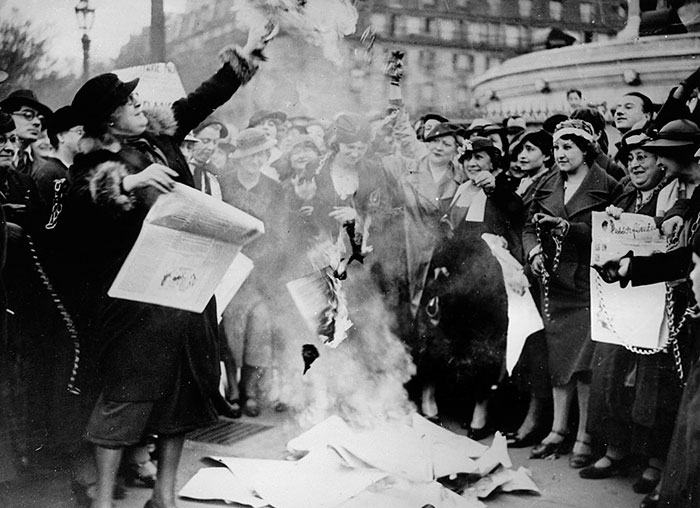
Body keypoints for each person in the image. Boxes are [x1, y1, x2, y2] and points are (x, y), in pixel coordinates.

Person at [49, 23, 272, 508]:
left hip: (187, 291)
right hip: (134, 302)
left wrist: (244, 60)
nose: (138, 105)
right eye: (128, 103)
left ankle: (165, 497)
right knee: (125, 398)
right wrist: (131, 183)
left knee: (184, 397)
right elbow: (86, 206)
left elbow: (203, 98)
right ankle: (105, 501)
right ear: (109, 122)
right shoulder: (93, 164)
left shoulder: (160, 135)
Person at [581, 129, 676, 499]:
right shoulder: (624, 196)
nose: (635, 164)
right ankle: (614, 449)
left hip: (658, 303)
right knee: (608, 373)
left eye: (644, 157)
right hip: (622, 302)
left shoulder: (671, 201)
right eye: (631, 158)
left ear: (661, 163)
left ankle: (654, 460)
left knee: (654, 382)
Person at [522, 119, 622, 468]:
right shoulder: (549, 182)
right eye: (556, 148)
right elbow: (528, 224)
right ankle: (557, 429)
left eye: (567, 147)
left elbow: (613, 233)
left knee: (583, 364)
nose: (560, 154)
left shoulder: (609, 184)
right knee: (558, 358)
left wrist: (568, 227)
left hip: (587, 285)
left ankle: (584, 435)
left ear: (585, 149)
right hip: (553, 283)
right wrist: (533, 251)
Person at [419, 136, 523, 438]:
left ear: (493, 161)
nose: (473, 163)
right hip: (457, 275)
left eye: (480, 158)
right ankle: (441, 403)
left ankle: (481, 410)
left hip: (489, 278)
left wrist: (495, 189)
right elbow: (450, 233)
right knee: (449, 338)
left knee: (486, 346)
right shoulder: (463, 189)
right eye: (468, 158)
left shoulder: (503, 189)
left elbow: (515, 214)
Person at [217, 127, 287, 418]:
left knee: (258, 328)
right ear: (239, 157)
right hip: (228, 269)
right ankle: (232, 389)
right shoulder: (223, 183)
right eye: (249, 155)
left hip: (260, 272)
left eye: (261, 154)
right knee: (231, 327)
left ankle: (250, 391)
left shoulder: (275, 189)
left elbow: (279, 234)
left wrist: (256, 260)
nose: (255, 160)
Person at [506, 129, 555, 447]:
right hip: (515, 270)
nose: (522, 155)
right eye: (520, 150)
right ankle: (526, 415)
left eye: (530, 149)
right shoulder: (522, 182)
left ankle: (537, 418)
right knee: (523, 346)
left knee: (537, 346)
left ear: (547, 156)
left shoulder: (546, 183)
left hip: (534, 272)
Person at [31, 105, 84, 208]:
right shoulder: (48, 173)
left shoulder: (75, 170)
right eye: (79, 132)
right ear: (61, 136)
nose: (84, 137)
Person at [0, 89, 53, 175]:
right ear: (8, 116)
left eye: (41, 119)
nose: (37, 122)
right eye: (28, 115)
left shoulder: (44, 167)